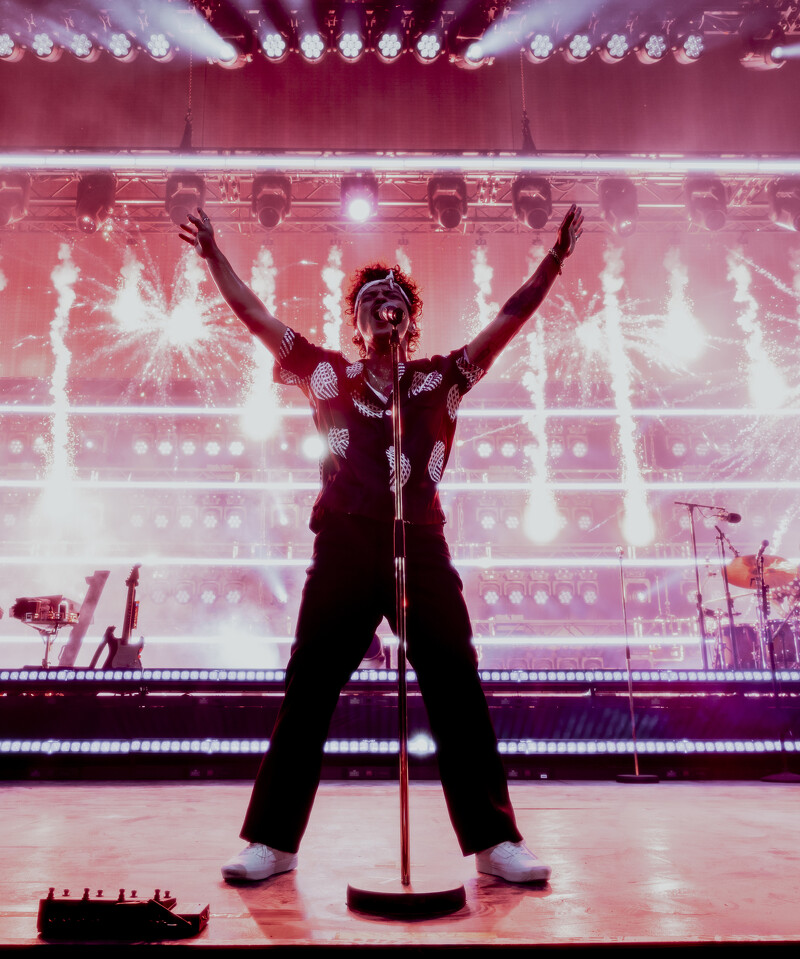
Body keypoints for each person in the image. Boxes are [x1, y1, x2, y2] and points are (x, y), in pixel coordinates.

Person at [179, 203, 583, 885]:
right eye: (371, 298)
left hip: (419, 540)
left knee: (455, 679)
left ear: (409, 319)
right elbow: (256, 317)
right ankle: (272, 841)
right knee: (310, 684)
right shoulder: (326, 373)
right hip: (344, 541)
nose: (383, 303)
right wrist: (217, 258)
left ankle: (493, 840)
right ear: (357, 321)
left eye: (394, 296)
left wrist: (554, 261)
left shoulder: (441, 378)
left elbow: (509, 321)